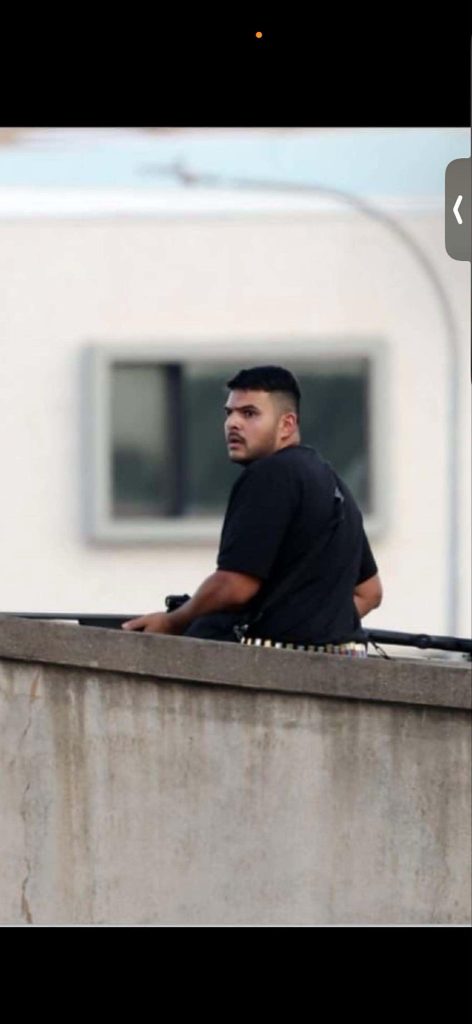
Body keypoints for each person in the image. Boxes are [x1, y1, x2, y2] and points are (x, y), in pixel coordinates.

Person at [122, 366, 382, 654]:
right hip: (347, 664)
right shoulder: (332, 482)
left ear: (287, 424)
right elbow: (369, 593)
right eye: (229, 413)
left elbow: (235, 585)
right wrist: (318, 631)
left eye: (249, 413)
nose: (233, 423)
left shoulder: (271, 474)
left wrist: (174, 621)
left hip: (277, 670)